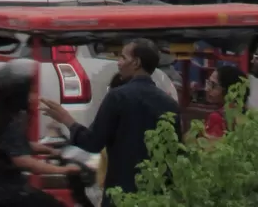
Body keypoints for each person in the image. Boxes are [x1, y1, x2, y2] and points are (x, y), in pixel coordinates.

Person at [44, 38, 179, 196]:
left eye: (122, 57)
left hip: (121, 193)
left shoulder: (117, 97)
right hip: (157, 195)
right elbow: (175, 154)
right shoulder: (170, 104)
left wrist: (66, 119)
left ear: (136, 63)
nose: (118, 63)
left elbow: (93, 142)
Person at [0, 60, 81, 207]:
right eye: (30, 91)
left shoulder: (0, 113)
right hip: (1, 189)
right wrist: (63, 170)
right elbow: (23, 161)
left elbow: (11, 145)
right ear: (17, 93)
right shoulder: (11, 120)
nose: (34, 96)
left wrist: (51, 150)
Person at [202, 62, 244, 137]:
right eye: (208, 83)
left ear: (229, 90)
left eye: (213, 85)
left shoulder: (216, 117)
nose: (207, 89)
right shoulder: (243, 113)